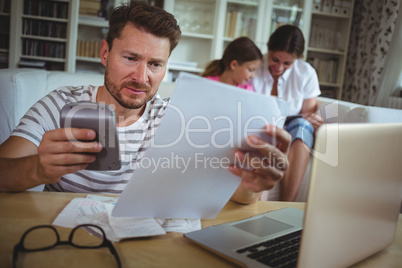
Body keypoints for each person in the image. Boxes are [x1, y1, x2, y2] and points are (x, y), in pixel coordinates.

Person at [0, 2, 291, 205]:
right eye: (130, 58)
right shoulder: (61, 105)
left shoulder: (176, 119)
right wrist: (38, 169)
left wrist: (253, 185)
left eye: (154, 64)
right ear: (105, 53)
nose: (141, 77)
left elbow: (233, 194)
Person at [252, 25, 324, 202]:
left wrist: (313, 120)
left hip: (292, 130)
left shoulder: (306, 73)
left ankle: (286, 204)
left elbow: (307, 112)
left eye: (287, 63)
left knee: (303, 126)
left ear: (297, 59)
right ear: (268, 46)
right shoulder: (254, 65)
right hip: (260, 125)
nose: (279, 67)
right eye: (275, 59)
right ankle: (256, 203)